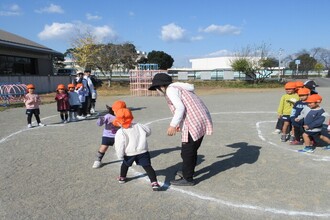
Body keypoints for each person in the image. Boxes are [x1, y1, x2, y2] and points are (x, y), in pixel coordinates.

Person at [148, 73, 213, 186]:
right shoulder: (180, 88)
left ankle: (188, 178)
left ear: (162, 86)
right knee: (191, 149)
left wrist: (173, 125)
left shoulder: (170, 90)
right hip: (200, 119)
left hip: (192, 121)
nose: (157, 91)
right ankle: (186, 171)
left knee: (188, 151)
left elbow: (180, 107)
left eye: (157, 88)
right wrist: (179, 123)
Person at [113, 108, 161, 191]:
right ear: (131, 116)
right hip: (142, 151)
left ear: (118, 120)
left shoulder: (121, 132)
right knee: (147, 166)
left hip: (129, 153)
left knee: (125, 164)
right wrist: (142, 136)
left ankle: (122, 178)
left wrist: (120, 155)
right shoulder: (138, 125)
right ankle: (154, 182)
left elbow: (119, 145)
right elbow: (148, 131)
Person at [92, 100, 127, 169]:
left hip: (115, 136)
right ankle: (97, 161)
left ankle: (130, 158)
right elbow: (99, 123)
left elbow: (126, 125)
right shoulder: (109, 116)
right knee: (105, 147)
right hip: (111, 135)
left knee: (123, 147)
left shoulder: (121, 117)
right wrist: (101, 120)